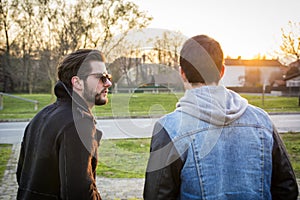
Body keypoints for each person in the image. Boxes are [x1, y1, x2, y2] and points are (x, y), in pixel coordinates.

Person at [143, 35, 299, 200]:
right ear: (222, 71)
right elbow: (287, 189)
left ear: (182, 73)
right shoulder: (262, 121)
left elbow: (157, 195)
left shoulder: (169, 128)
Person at [16, 49, 112, 199]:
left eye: (108, 77)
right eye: (101, 78)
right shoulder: (78, 123)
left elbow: (21, 176)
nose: (108, 83)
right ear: (77, 82)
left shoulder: (41, 116)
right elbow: (79, 193)